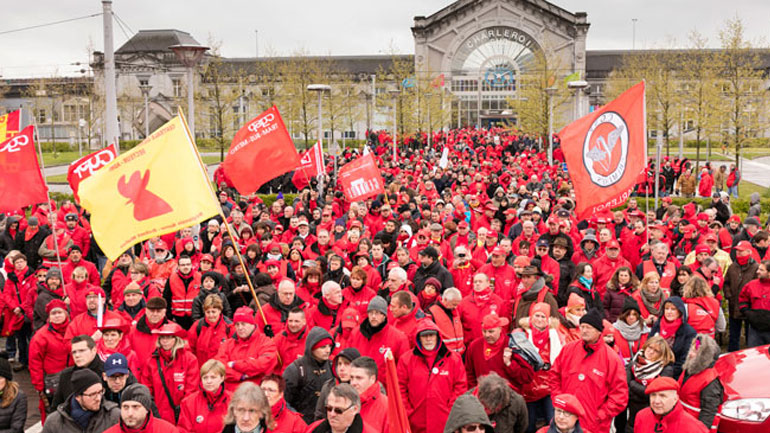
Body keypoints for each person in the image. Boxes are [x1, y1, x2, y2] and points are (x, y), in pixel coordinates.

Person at [549, 308, 628, 433]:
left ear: (599, 331)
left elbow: (620, 395)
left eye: (588, 327)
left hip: (594, 424)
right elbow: (554, 376)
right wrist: (558, 400)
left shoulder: (611, 358)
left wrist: (600, 415)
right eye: (582, 327)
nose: (584, 331)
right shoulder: (568, 350)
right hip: (565, 420)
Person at [398, 320, 467, 433]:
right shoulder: (406, 360)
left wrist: (450, 411)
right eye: (425, 336)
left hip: (445, 423)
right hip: (415, 423)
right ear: (419, 338)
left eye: (431, 335)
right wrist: (408, 412)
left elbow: (460, 387)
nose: (429, 339)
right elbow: (400, 388)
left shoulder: (453, 358)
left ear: (438, 337)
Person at [139, 322, 199, 424]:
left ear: (176, 339)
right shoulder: (151, 361)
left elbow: (191, 390)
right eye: (162, 337)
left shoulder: (189, 359)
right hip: (158, 415)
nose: (165, 341)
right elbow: (146, 389)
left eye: (169, 337)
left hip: (181, 416)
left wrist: (183, 411)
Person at [345, 296, 409, 384]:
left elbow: (403, 370)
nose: (374, 316)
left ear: (384, 315)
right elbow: (347, 360)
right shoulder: (356, 333)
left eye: (378, 313)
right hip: (357, 386)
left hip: (384, 390)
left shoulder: (399, 338)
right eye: (371, 313)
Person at [518, 303, 561, 433]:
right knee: (528, 425)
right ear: (531, 317)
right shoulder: (522, 335)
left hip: (549, 387)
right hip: (528, 388)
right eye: (537, 315)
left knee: (552, 423)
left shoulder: (556, 336)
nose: (540, 319)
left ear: (548, 319)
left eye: (543, 316)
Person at [465, 313, 534, 391]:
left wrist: (509, 364)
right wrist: (474, 393)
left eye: (491, 331)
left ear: (500, 329)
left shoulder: (513, 345)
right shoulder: (474, 346)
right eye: (484, 331)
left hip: (508, 399)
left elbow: (527, 376)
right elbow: (469, 374)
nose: (487, 335)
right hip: (482, 398)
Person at [215, 306, 278, 391]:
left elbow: (263, 365)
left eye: (243, 324)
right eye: (237, 324)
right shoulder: (227, 344)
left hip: (257, 393)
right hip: (231, 395)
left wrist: (234, 364)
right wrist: (241, 376)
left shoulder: (266, 343)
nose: (240, 328)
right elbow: (219, 368)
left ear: (252, 324)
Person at [28, 299, 72, 420]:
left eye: (60, 312)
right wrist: (39, 386)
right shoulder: (41, 336)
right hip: (53, 380)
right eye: (53, 313)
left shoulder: (73, 329)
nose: (57, 316)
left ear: (66, 313)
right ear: (49, 316)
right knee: (55, 415)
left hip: (73, 377)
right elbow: (34, 362)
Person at [283, 326, 334, 423]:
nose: (328, 350)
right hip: (301, 425)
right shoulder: (295, 370)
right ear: (312, 347)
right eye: (323, 347)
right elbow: (284, 401)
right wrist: (298, 421)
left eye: (329, 346)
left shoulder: (333, 367)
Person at [42, 369, 118, 433]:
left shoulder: (114, 417)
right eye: (92, 394)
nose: (98, 398)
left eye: (100, 392)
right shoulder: (54, 422)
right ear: (78, 396)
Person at [626, 336, 675, 432]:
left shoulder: (665, 369)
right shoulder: (635, 362)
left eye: (656, 351)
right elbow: (625, 385)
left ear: (662, 355)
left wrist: (632, 384)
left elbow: (652, 393)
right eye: (650, 347)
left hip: (650, 413)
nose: (651, 351)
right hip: (631, 410)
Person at [678, 334, 724, 433]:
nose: (690, 354)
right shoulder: (689, 370)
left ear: (704, 356)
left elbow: (708, 412)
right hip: (684, 423)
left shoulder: (710, 381)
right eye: (691, 349)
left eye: (695, 351)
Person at [633, 377, 708, 433]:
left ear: (675, 398)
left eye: (662, 396)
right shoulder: (641, 416)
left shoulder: (694, 428)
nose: (656, 401)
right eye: (653, 395)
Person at [177, 359, 232, 433]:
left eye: (213, 377)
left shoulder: (233, 401)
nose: (208, 381)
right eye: (205, 377)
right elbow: (183, 430)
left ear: (222, 378)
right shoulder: (188, 402)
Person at [52, 335, 105, 409]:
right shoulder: (66, 375)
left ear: (94, 350)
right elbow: (56, 407)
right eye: (74, 352)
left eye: (81, 351)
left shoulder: (106, 372)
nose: (77, 355)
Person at [649, 297, 696, 378]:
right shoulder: (658, 325)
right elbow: (648, 345)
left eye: (673, 309)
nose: (669, 312)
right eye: (667, 309)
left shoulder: (689, 332)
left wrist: (666, 373)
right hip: (652, 367)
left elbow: (684, 360)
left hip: (675, 373)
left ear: (680, 311)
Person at [723, 241, 758, 351]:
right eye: (737, 251)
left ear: (749, 252)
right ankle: (732, 356)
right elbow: (726, 283)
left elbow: (758, 286)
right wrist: (729, 295)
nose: (738, 253)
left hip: (749, 307)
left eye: (741, 251)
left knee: (750, 336)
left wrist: (750, 301)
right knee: (734, 336)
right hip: (733, 305)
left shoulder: (756, 267)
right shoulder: (732, 266)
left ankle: (750, 356)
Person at [457, 273, 508, 347]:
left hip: (492, 345)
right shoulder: (464, 303)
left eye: (480, 281)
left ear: (488, 283)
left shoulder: (498, 302)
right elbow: (458, 324)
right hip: (470, 346)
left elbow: (504, 325)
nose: (477, 284)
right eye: (475, 282)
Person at [103, 383, 178, 433]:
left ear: (146, 409)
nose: (130, 413)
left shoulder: (168, 430)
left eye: (135, 407)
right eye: (125, 407)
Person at [128, 296, 171, 376]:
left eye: (158, 311)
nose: (155, 314)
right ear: (146, 311)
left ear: (164, 312)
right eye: (151, 311)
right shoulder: (132, 331)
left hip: (164, 378)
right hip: (138, 377)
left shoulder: (173, 330)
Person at [314, 348, 361, 421]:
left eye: (347, 364)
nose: (341, 368)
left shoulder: (362, 387)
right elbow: (320, 415)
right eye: (339, 364)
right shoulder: (328, 386)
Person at [187, 294, 232, 367]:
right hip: (202, 370)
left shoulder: (229, 327)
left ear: (220, 311)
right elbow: (189, 348)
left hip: (222, 371)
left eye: (213, 312)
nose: (211, 315)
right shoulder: (197, 326)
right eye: (208, 312)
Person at [349, 357, 388, 433]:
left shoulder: (387, 407)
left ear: (372, 379)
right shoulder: (344, 402)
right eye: (351, 378)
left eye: (359, 378)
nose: (353, 383)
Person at [738, 260, 770, 347]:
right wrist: (748, 313)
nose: (757, 272)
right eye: (758, 269)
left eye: (761, 270)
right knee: (754, 355)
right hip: (755, 330)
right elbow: (742, 299)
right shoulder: (751, 285)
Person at [426, 287, 465, 354]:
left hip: (459, 354)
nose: (455, 307)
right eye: (454, 304)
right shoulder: (432, 312)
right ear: (445, 300)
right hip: (444, 355)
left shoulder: (454, 310)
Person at [612, 298, 650, 365]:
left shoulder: (646, 331)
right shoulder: (614, 330)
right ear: (624, 315)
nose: (631, 317)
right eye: (628, 314)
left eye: (634, 314)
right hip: (620, 366)